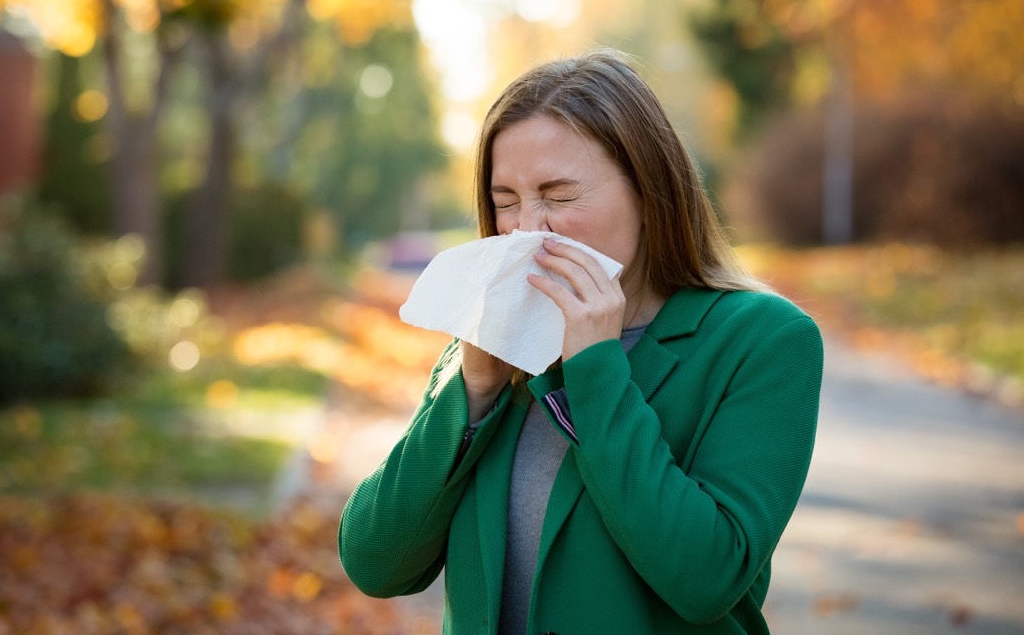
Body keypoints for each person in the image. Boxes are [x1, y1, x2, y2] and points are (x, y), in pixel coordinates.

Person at [338, 49, 823, 634]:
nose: (526, 229)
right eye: (506, 201)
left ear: (649, 193)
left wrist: (596, 369)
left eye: (559, 196)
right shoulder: (495, 346)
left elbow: (706, 580)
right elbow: (375, 563)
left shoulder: (763, 341)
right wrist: (473, 390)